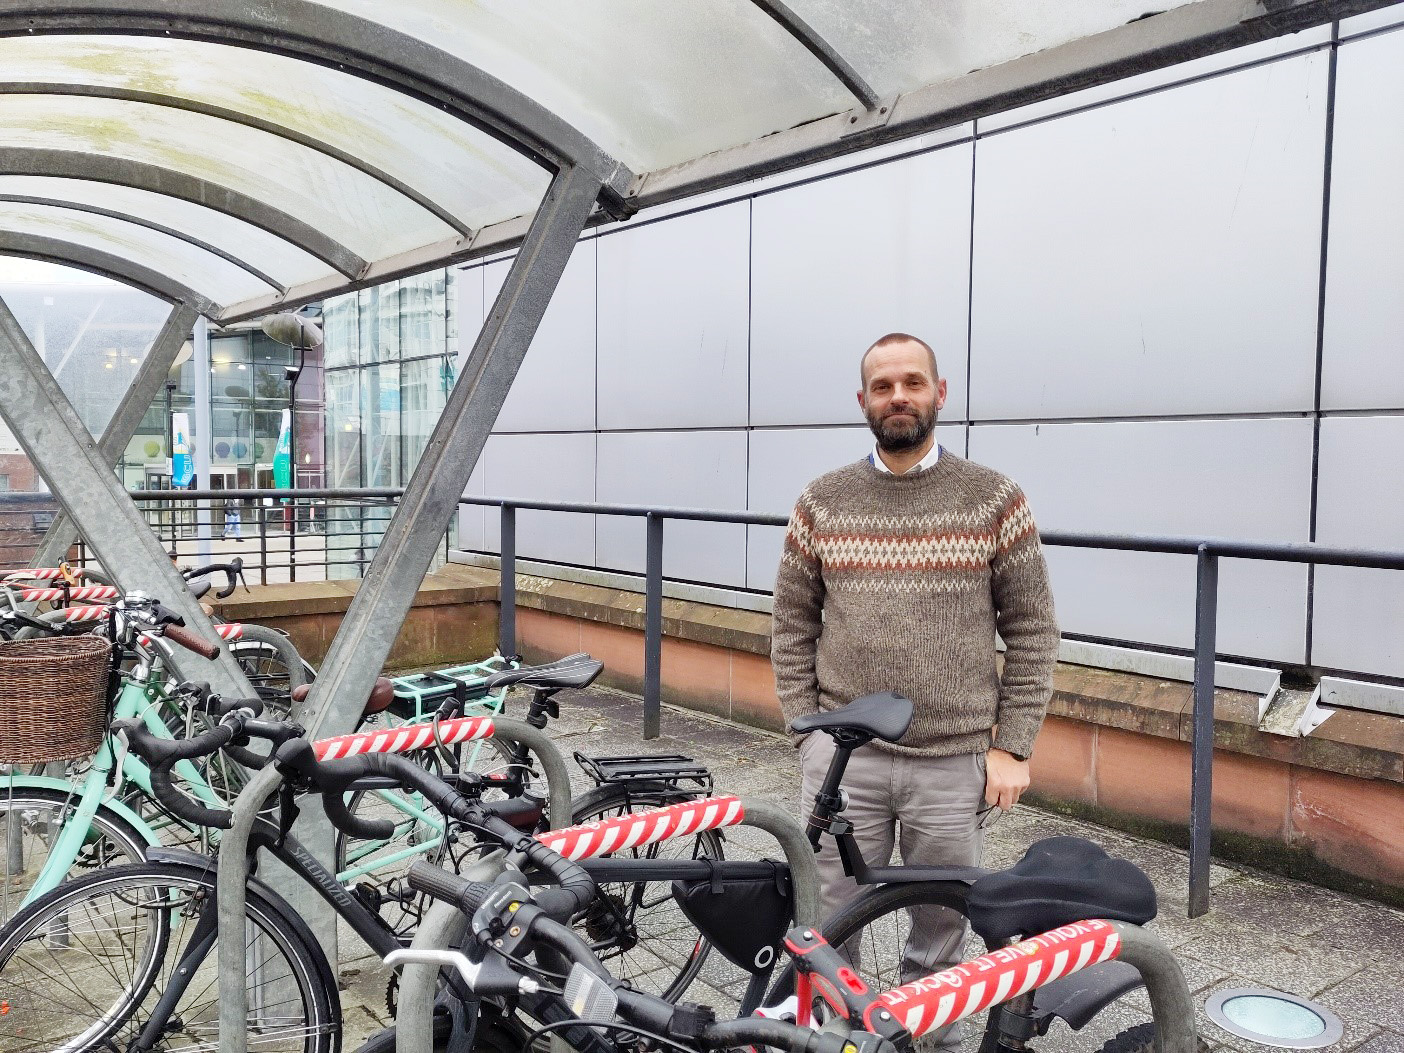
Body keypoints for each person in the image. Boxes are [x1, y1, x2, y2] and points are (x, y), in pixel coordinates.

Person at [770, 332, 1059, 1047]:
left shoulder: (994, 498)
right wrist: (806, 728)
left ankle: (931, 1036)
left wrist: (1013, 745)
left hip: (952, 758)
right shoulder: (822, 501)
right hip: (845, 759)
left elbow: (1032, 628)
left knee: (943, 918)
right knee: (830, 910)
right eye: (882, 385)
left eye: (912, 382)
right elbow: (790, 623)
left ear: (940, 393)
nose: (898, 396)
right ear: (863, 400)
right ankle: (839, 1034)